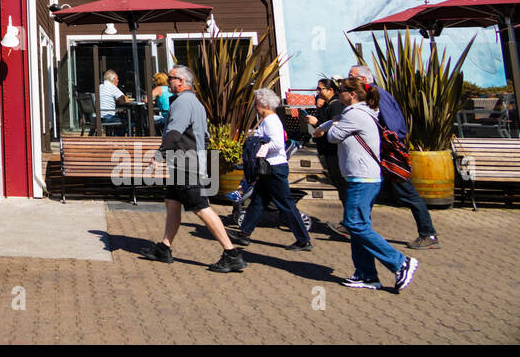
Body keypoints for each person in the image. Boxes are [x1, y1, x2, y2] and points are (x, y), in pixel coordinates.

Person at [309, 77, 419, 292]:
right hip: (361, 177)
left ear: (352, 95)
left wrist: (325, 128)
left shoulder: (356, 115)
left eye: (341, 91)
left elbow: (333, 136)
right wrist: (326, 124)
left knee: (354, 224)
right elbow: (335, 123)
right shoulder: (356, 113)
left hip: (362, 178)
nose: (337, 93)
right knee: (361, 226)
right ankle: (366, 274)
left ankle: (400, 262)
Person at [141, 65, 246, 272]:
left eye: (171, 78)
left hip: (186, 165)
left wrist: (157, 157)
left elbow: (174, 133)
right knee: (172, 202)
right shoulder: (196, 104)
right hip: (186, 162)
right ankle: (164, 247)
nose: (168, 81)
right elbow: (204, 136)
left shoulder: (182, 103)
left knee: (201, 207)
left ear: (180, 81)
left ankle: (231, 253)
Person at [349, 64, 439, 249]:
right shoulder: (371, 97)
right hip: (381, 154)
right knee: (370, 190)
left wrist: (387, 144)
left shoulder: (378, 96)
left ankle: (428, 234)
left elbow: (392, 127)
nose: (348, 79)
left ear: (364, 80)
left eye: (352, 76)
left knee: (407, 193)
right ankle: (352, 224)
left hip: (390, 155)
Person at [227, 89, 312, 252]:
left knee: (285, 203)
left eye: (257, 103)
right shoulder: (268, 120)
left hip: (273, 168)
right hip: (269, 168)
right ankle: (244, 234)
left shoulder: (271, 120)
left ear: (264, 104)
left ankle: (303, 240)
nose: (255, 106)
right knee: (258, 200)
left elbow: (277, 143)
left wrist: (260, 149)